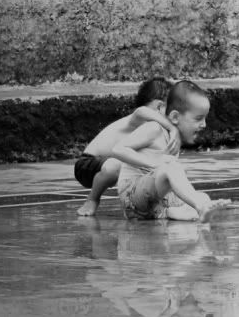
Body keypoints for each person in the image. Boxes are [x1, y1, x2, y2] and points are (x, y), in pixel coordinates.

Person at [111, 80, 230, 222]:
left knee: (203, 197)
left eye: (205, 118)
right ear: (174, 117)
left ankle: (182, 211)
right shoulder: (154, 129)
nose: (204, 125)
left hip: (156, 202)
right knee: (172, 169)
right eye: (198, 118)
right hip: (132, 196)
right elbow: (117, 149)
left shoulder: (174, 138)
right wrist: (154, 163)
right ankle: (199, 207)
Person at [75, 77, 177, 216]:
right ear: (159, 106)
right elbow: (141, 111)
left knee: (146, 166)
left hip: (109, 164)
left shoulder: (154, 130)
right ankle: (92, 200)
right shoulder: (139, 118)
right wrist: (172, 128)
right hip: (87, 165)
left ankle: (137, 203)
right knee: (117, 165)